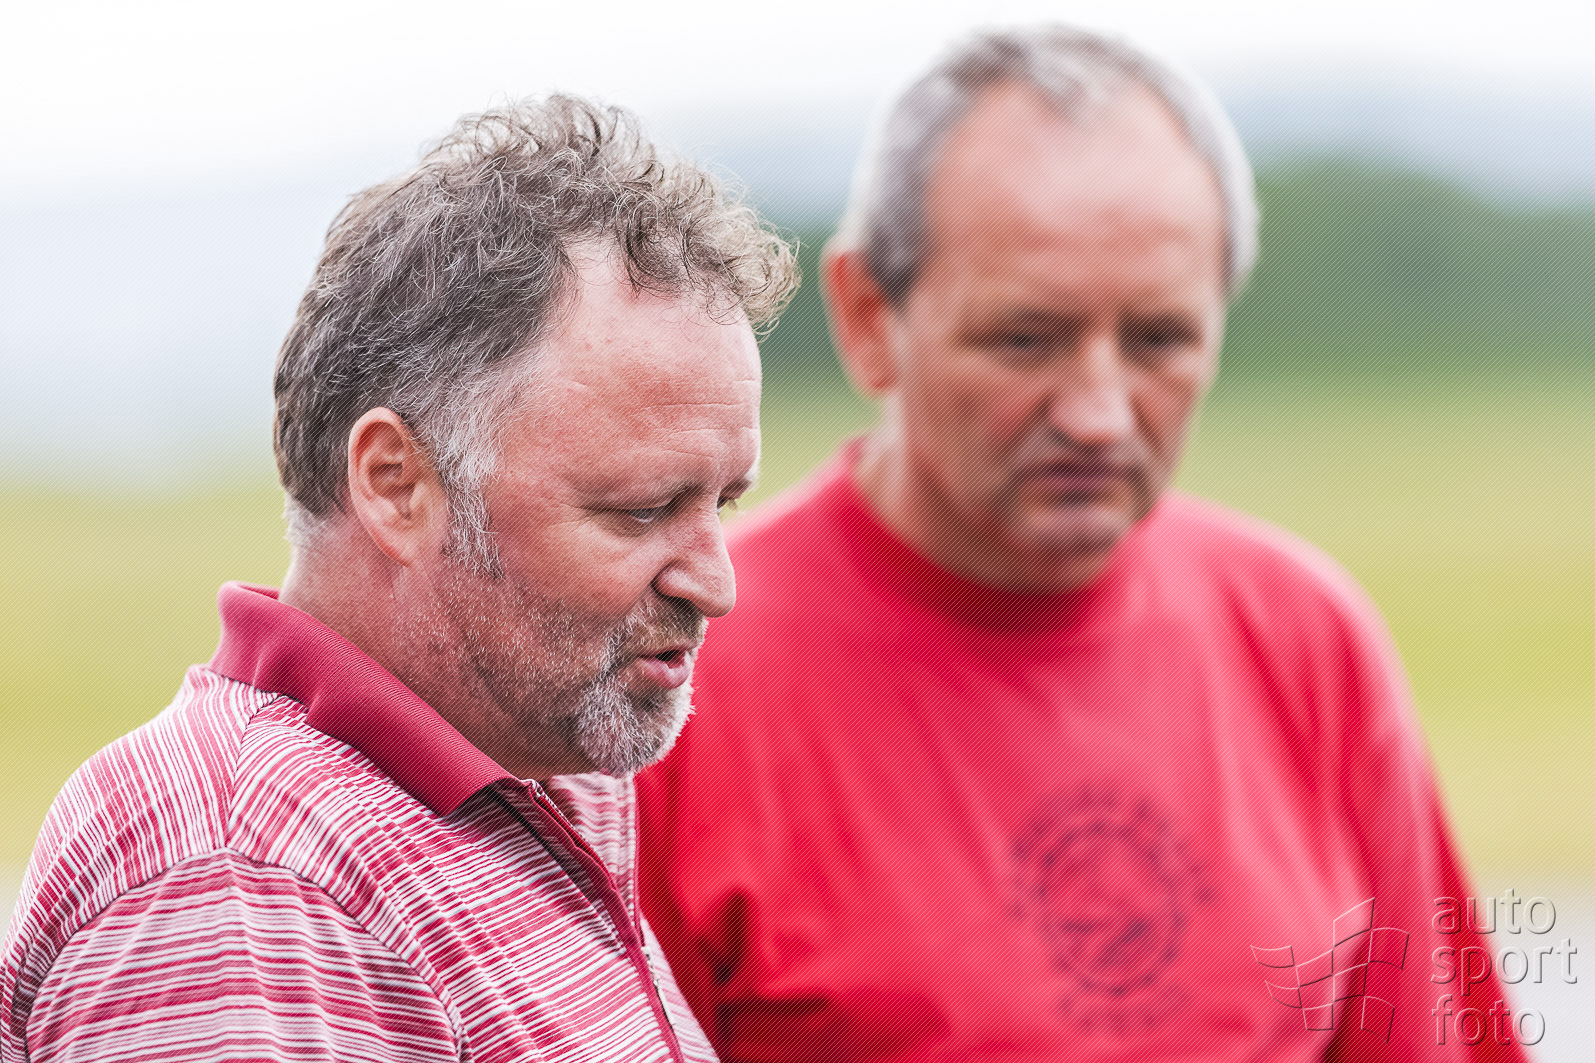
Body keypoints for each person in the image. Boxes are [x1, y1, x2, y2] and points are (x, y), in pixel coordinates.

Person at [637, 26, 1526, 1062]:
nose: (1099, 414)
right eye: (1025, 339)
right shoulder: (674, 678)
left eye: (1158, 339)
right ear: (869, 316)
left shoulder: (1303, 637)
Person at [1, 95, 797, 1062]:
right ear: (394, 484)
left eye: (723, 503)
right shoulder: (249, 891)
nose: (716, 584)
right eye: (640, 508)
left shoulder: (540, 771)